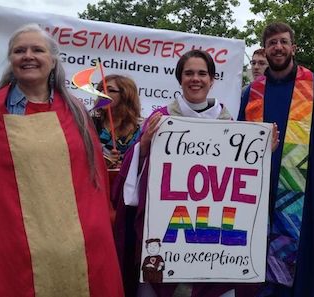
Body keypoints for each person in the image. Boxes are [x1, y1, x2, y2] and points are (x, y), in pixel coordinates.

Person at [0, 24, 123, 297]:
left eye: (37, 49)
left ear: (52, 61)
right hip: (13, 241)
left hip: (72, 245)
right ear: (11, 60)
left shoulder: (75, 112)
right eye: (19, 50)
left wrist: (95, 230)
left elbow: (90, 183)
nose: (28, 56)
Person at [112, 49, 269, 297]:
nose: (195, 79)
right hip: (167, 233)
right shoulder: (160, 120)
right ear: (180, 78)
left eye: (202, 73)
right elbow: (133, 177)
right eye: (189, 73)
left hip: (213, 233)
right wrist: (143, 146)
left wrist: (262, 153)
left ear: (212, 79)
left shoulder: (229, 124)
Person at [238, 22, 314, 297]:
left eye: (283, 42)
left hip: (304, 196)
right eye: (272, 42)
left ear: (293, 47)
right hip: (260, 196)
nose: (278, 47)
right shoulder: (252, 93)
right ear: (265, 49)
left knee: (303, 271)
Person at [92, 74, 142, 169]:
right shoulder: (89, 124)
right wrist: (105, 162)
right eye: (101, 90)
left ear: (126, 95)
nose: (102, 93)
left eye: (110, 90)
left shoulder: (141, 130)